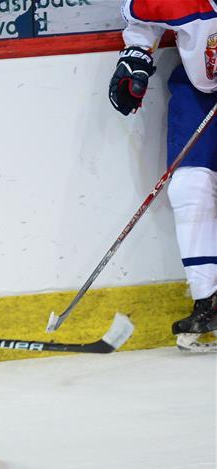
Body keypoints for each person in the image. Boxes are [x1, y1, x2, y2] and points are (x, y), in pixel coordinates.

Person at [108, 0, 217, 350]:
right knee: (188, 186)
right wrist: (136, 54)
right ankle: (209, 303)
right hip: (200, 89)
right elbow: (147, 21)